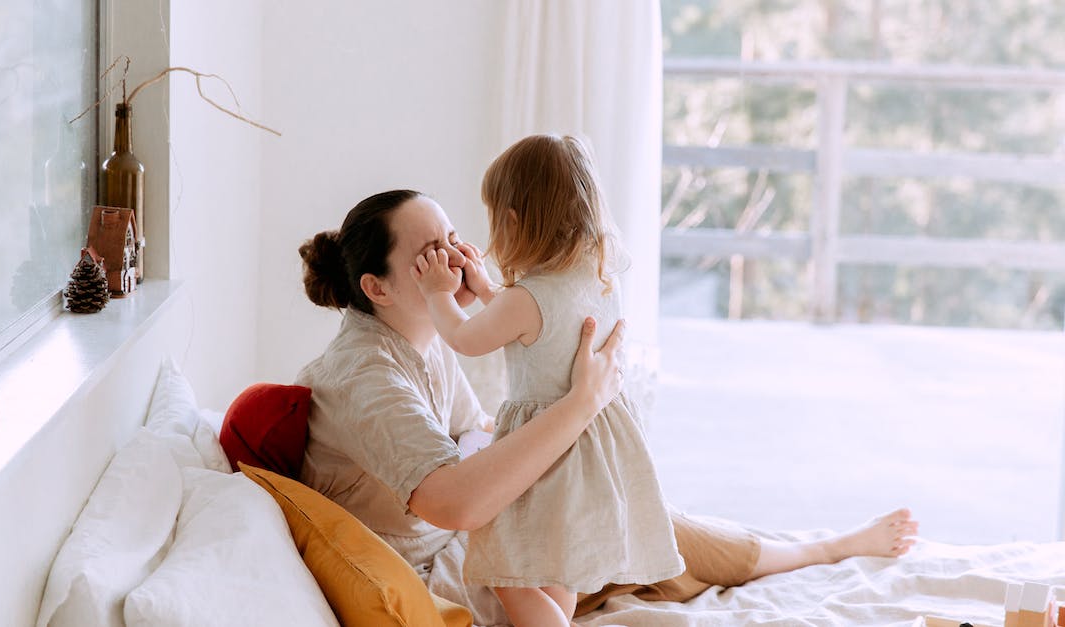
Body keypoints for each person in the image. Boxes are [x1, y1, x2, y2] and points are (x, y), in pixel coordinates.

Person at [296, 188, 918, 627]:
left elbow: (475, 434)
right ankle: (818, 552)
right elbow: (456, 502)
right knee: (639, 532)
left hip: (471, 544)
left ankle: (812, 552)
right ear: (376, 288)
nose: (456, 260)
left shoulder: (423, 342)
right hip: (445, 573)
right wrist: (582, 402)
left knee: (636, 516)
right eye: (430, 254)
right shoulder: (364, 375)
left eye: (455, 239)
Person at [408, 134, 682, 627]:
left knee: (504, 565)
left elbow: (467, 338)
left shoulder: (524, 300)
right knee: (559, 564)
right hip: (594, 443)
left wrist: (437, 294)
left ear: (512, 221)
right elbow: (541, 331)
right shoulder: (599, 276)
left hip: (545, 448)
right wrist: (489, 289)